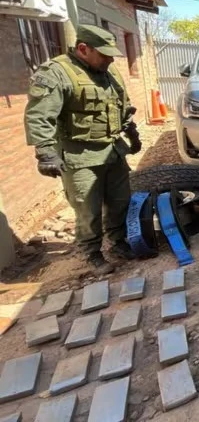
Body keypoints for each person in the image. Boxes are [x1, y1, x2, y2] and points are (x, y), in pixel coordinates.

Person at [25, 25, 142, 275]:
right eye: (104, 54)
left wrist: (132, 135)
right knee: (87, 208)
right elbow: (39, 116)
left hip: (112, 149)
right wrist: (45, 152)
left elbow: (123, 108)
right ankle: (92, 253)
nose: (110, 59)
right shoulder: (57, 73)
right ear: (83, 49)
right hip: (80, 156)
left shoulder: (110, 72)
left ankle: (119, 243)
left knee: (120, 201)